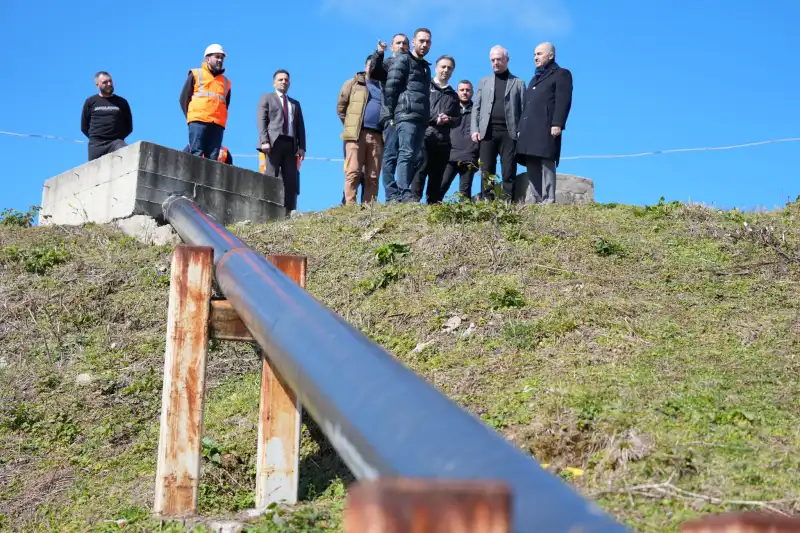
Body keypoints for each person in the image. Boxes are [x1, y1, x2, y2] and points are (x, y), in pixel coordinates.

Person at [515, 42, 573, 204]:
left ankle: (548, 198)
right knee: (531, 161)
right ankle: (536, 198)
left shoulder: (561, 74)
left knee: (546, 160)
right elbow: (526, 106)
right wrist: (520, 128)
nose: (535, 57)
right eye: (534, 54)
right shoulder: (534, 79)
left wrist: (558, 123)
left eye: (539, 54)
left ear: (551, 55)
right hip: (529, 128)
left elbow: (564, 101)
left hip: (547, 126)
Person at [383, 28, 432, 203]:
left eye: (427, 42)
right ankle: (403, 193)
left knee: (418, 158)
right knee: (405, 153)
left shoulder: (426, 67)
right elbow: (391, 88)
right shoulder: (403, 59)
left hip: (420, 117)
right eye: (421, 41)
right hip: (405, 114)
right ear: (413, 42)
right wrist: (392, 114)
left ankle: (400, 192)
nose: (424, 44)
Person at [471, 45, 526, 200]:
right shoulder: (484, 82)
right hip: (487, 132)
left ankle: (508, 202)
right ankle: (487, 201)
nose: (495, 63)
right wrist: (475, 129)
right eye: (492, 60)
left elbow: (524, 110)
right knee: (487, 169)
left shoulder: (518, 83)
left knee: (508, 169)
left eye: (499, 59)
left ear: (507, 60)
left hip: (509, 132)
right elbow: (477, 107)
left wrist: (522, 129)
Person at [257, 69, 307, 217]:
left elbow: (300, 126)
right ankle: (268, 209)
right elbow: (261, 120)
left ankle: (289, 211)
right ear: (274, 83)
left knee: (291, 180)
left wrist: (302, 147)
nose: (283, 82)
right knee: (271, 176)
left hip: (291, 144)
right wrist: (264, 140)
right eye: (280, 79)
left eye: (286, 80)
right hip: (273, 143)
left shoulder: (295, 103)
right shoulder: (267, 98)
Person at [411, 55, 460, 204]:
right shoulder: (425, 87)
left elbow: (457, 119)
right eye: (443, 67)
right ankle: (413, 201)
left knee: (437, 174)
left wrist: (448, 119)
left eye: (449, 68)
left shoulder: (453, 95)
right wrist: (435, 119)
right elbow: (418, 110)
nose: (446, 70)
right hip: (424, 136)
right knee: (421, 169)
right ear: (436, 68)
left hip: (443, 140)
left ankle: (433, 204)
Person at [337, 56, 384, 205]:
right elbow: (341, 108)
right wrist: (351, 125)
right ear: (366, 67)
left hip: (377, 135)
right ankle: (349, 206)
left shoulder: (384, 87)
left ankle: (369, 208)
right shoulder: (352, 83)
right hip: (356, 135)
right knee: (353, 171)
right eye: (371, 65)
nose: (373, 68)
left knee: (373, 175)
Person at [368, 34, 409, 202]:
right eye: (398, 43)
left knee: (409, 155)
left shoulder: (412, 65)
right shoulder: (387, 65)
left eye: (404, 43)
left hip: (409, 116)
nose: (401, 46)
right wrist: (378, 53)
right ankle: (392, 194)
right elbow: (374, 71)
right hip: (391, 116)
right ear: (392, 47)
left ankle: (405, 192)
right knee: (391, 155)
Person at [180, 44, 231, 161]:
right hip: (198, 121)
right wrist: (191, 117)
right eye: (217, 57)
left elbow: (226, 104)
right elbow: (184, 98)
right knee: (196, 155)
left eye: (222, 58)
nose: (220, 60)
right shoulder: (196, 74)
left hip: (217, 124)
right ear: (207, 58)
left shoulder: (226, 82)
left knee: (213, 159)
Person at [81, 71, 133, 161]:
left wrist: (117, 137)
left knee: (127, 155)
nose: (109, 84)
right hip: (96, 145)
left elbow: (128, 126)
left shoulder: (122, 102)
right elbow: (84, 126)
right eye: (105, 82)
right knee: (94, 172)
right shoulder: (90, 102)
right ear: (97, 85)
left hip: (116, 142)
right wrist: (96, 137)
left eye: (110, 81)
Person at [440, 80, 479, 201]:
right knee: (441, 186)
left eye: (468, 90)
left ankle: (463, 218)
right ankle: (431, 213)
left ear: (472, 93)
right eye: (462, 90)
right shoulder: (449, 109)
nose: (465, 92)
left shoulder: (477, 111)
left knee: (465, 192)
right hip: (449, 156)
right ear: (457, 92)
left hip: (470, 157)